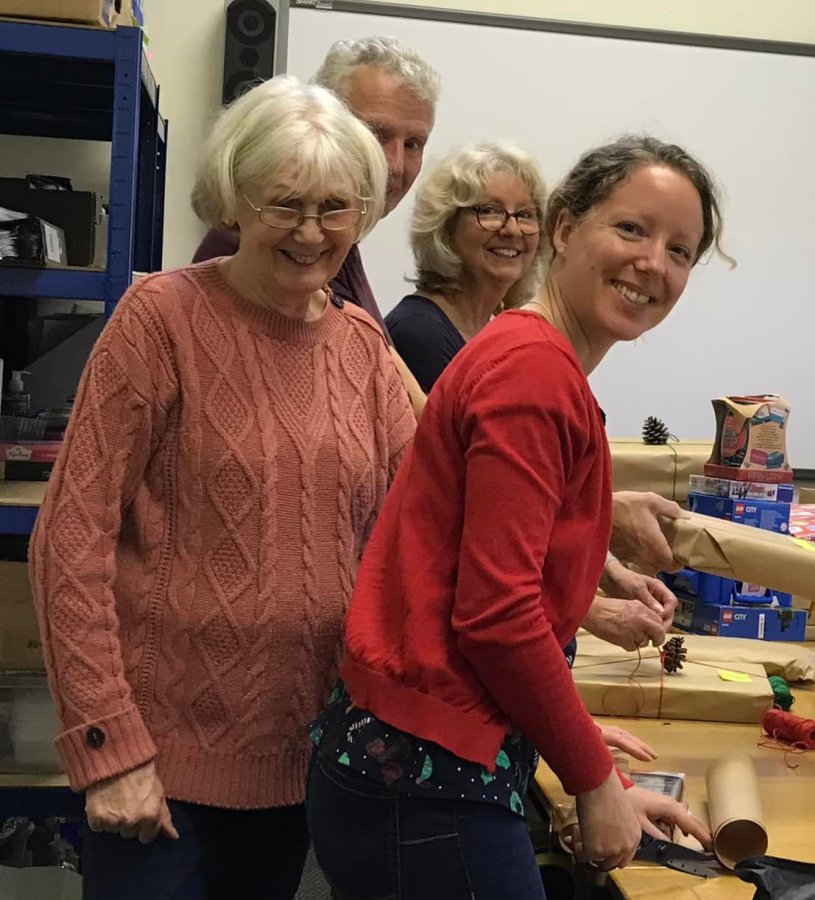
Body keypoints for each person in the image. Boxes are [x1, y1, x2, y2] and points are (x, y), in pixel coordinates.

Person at [305, 135, 728, 898]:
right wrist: (594, 781)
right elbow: (499, 615)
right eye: (631, 230)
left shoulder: (531, 354)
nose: (654, 265)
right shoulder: (534, 373)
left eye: (681, 251)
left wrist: (577, 755)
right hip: (428, 785)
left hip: (419, 766)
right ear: (564, 228)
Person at [28, 75, 415, 899]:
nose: (312, 233)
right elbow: (70, 539)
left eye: (335, 208)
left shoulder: (362, 351)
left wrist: (593, 563)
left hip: (301, 767)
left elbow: (429, 524)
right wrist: (108, 748)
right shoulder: (159, 319)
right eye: (285, 204)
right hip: (159, 775)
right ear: (234, 201)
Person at [388, 141, 677, 652]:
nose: (514, 229)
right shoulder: (427, 335)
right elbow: (477, 534)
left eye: (525, 215)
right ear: (445, 226)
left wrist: (606, 569)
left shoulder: (501, 332)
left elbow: (522, 499)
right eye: (490, 211)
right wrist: (592, 606)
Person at [193, 35, 438, 410]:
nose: (394, 164)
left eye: (413, 144)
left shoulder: (340, 248)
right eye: (375, 134)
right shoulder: (262, 247)